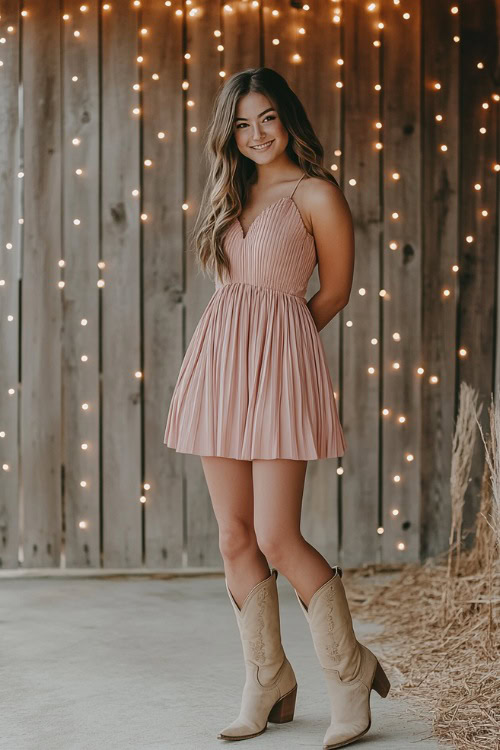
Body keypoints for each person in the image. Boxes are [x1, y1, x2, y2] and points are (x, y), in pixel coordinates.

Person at [164, 67, 390, 749]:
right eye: (241, 123)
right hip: (218, 367)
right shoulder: (230, 189)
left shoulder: (316, 194)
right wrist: (241, 353)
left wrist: (281, 353)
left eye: (266, 118)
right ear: (228, 133)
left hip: (279, 374)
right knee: (234, 536)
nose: (256, 134)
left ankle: (349, 673)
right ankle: (267, 677)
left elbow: (335, 292)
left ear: (288, 118)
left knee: (276, 536)